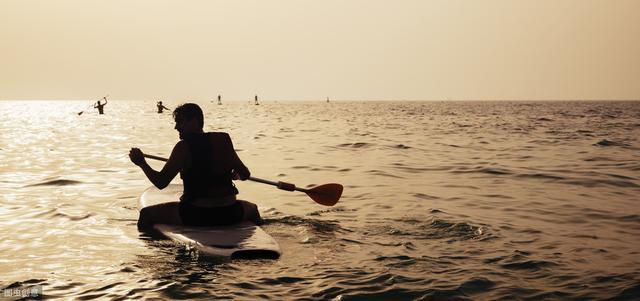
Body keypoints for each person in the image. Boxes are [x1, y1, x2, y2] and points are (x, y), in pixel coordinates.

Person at [129, 103, 261, 230]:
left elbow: (161, 182)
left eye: (180, 122)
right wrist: (235, 175)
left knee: (146, 214)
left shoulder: (183, 147)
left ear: (194, 121)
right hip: (230, 212)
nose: (176, 127)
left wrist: (142, 163)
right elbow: (245, 174)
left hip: (197, 214)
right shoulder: (224, 140)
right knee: (253, 209)